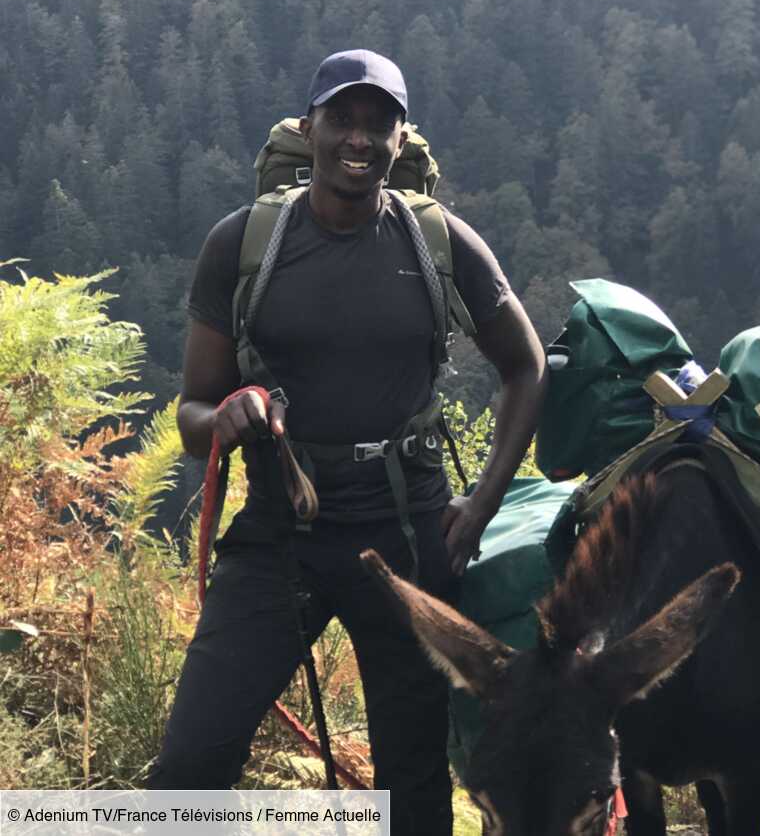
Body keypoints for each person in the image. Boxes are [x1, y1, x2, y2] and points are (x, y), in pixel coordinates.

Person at [149, 50, 546, 835]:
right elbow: (192, 411)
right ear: (311, 128)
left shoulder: (439, 242)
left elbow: (527, 368)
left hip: (406, 538)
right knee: (190, 766)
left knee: (413, 787)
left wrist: (483, 506)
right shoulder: (245, 243)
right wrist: (226, 415)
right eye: (343, 119)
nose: (359, 138)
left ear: (402, 139)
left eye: (379, 123)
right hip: (276, 536)